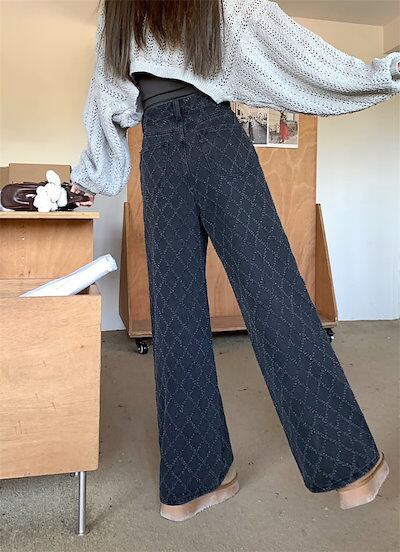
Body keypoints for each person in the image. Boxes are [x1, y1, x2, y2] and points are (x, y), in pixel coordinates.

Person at [70, 0, 400, 521]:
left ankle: (190, 485)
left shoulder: (117, 12)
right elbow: (298, 57)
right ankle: (351, 470)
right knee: (275, 297)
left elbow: (106, 96)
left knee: (175, 318)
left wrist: (89, 177)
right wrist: (383, 74)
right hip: (216, 142)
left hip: (159, 153)